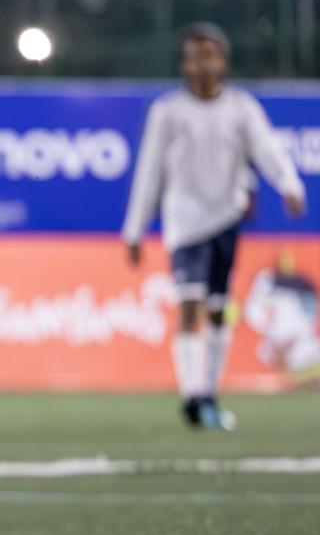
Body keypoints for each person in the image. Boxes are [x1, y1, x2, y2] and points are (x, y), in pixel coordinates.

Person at [123, 22, 306, 429]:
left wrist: (289, 186)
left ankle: (209, 391)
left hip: (225, 218)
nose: (203, 64)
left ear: (223, 61)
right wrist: (134, 230)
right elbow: (149, 172)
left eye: (210, 55)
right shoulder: (167, 111)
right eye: (194, 57)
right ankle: (192, 395)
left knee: (220, 310)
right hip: (184, 223)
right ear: (185, 64)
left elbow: (268, 150)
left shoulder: (241, 108)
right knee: (191, 305)